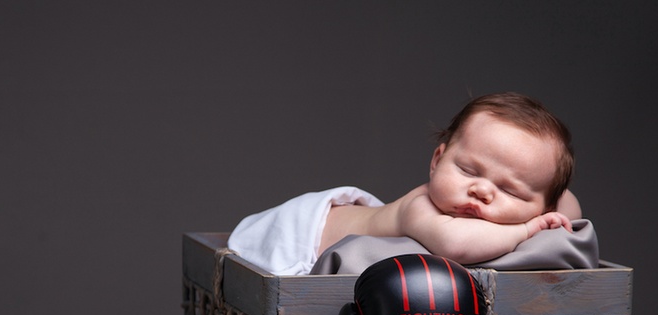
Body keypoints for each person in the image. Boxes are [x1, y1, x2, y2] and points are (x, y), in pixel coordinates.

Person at [228, 92, 581, 275]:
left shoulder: (524, 206)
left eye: (509, 190)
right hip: (308, 236)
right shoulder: (422, 207)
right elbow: (455, 245)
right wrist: (528, 226)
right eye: (469, 171)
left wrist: (546, 205)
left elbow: (568, 206)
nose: (481, 190)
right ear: (436, 160)